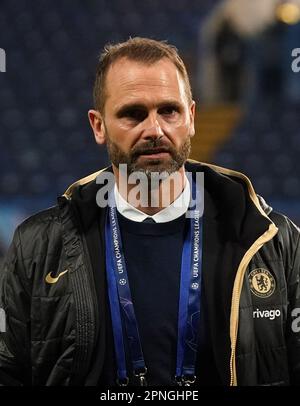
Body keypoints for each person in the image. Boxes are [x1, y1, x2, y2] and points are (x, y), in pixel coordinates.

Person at [0, 37, 299, 387]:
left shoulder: (273, 241)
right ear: (99, 126)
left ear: (191, 117)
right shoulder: (38, 245)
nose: (154, 130)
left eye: (168, 111)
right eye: (133, 114)